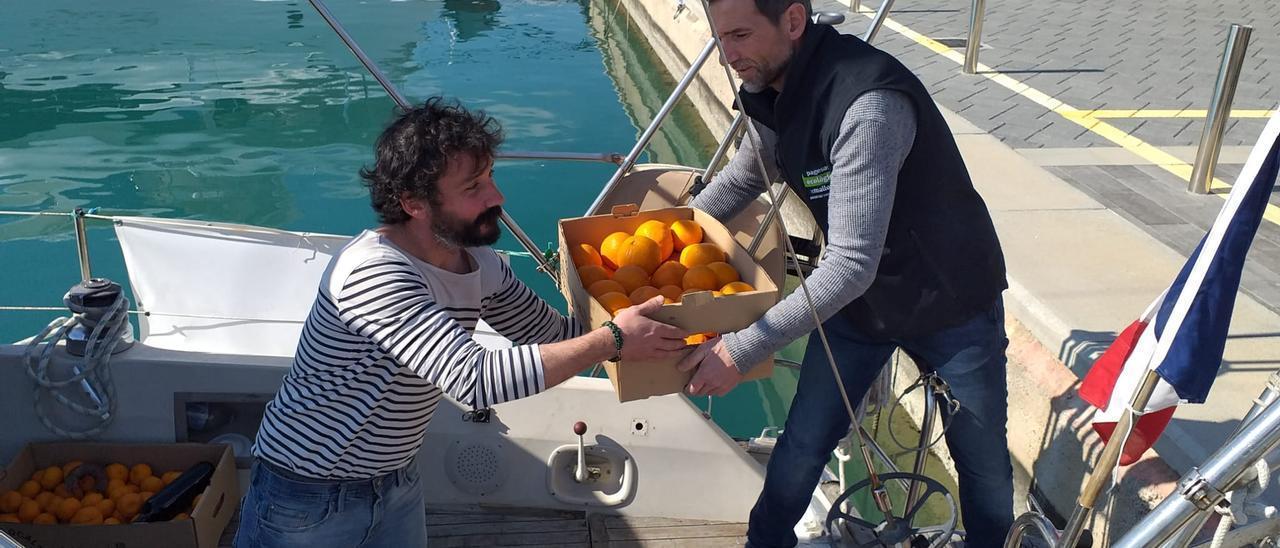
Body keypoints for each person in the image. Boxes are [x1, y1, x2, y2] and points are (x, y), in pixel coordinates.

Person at [234, 97, 688, 547]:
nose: (497, 197)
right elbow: (473, 380)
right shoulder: (374, 273)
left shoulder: (477, 262)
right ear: (413, 203)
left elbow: (556, 336)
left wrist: (674, 326)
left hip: (395, 478)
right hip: (307, 490)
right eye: (473, 188)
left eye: (490, 176)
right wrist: (612, 339)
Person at [676, 0, 1014, 546]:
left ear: (792, 20)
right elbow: (745, 177)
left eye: (739, 35)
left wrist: (738, 350)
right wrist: (668, 240)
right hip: (862, 304)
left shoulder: (867, 105)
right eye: (721, 38)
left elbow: (852, 264)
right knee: (804, 441)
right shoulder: (772, 86)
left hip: (951, 301)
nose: (728, 55)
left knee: (985, 469)